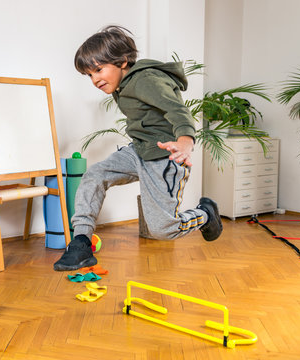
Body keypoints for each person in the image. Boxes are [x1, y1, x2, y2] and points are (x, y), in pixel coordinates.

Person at [54, 25, 222, 271]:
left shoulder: (146, 79)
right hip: (139, 151)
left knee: (163, 230)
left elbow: (177, 110)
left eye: (99, 70)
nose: (95, 80)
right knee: (95, 174)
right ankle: (81, 242)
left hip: (165, 158)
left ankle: (205, 214)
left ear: (122, 62)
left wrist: (185, 140)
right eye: (89, 75)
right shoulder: (121, 84)